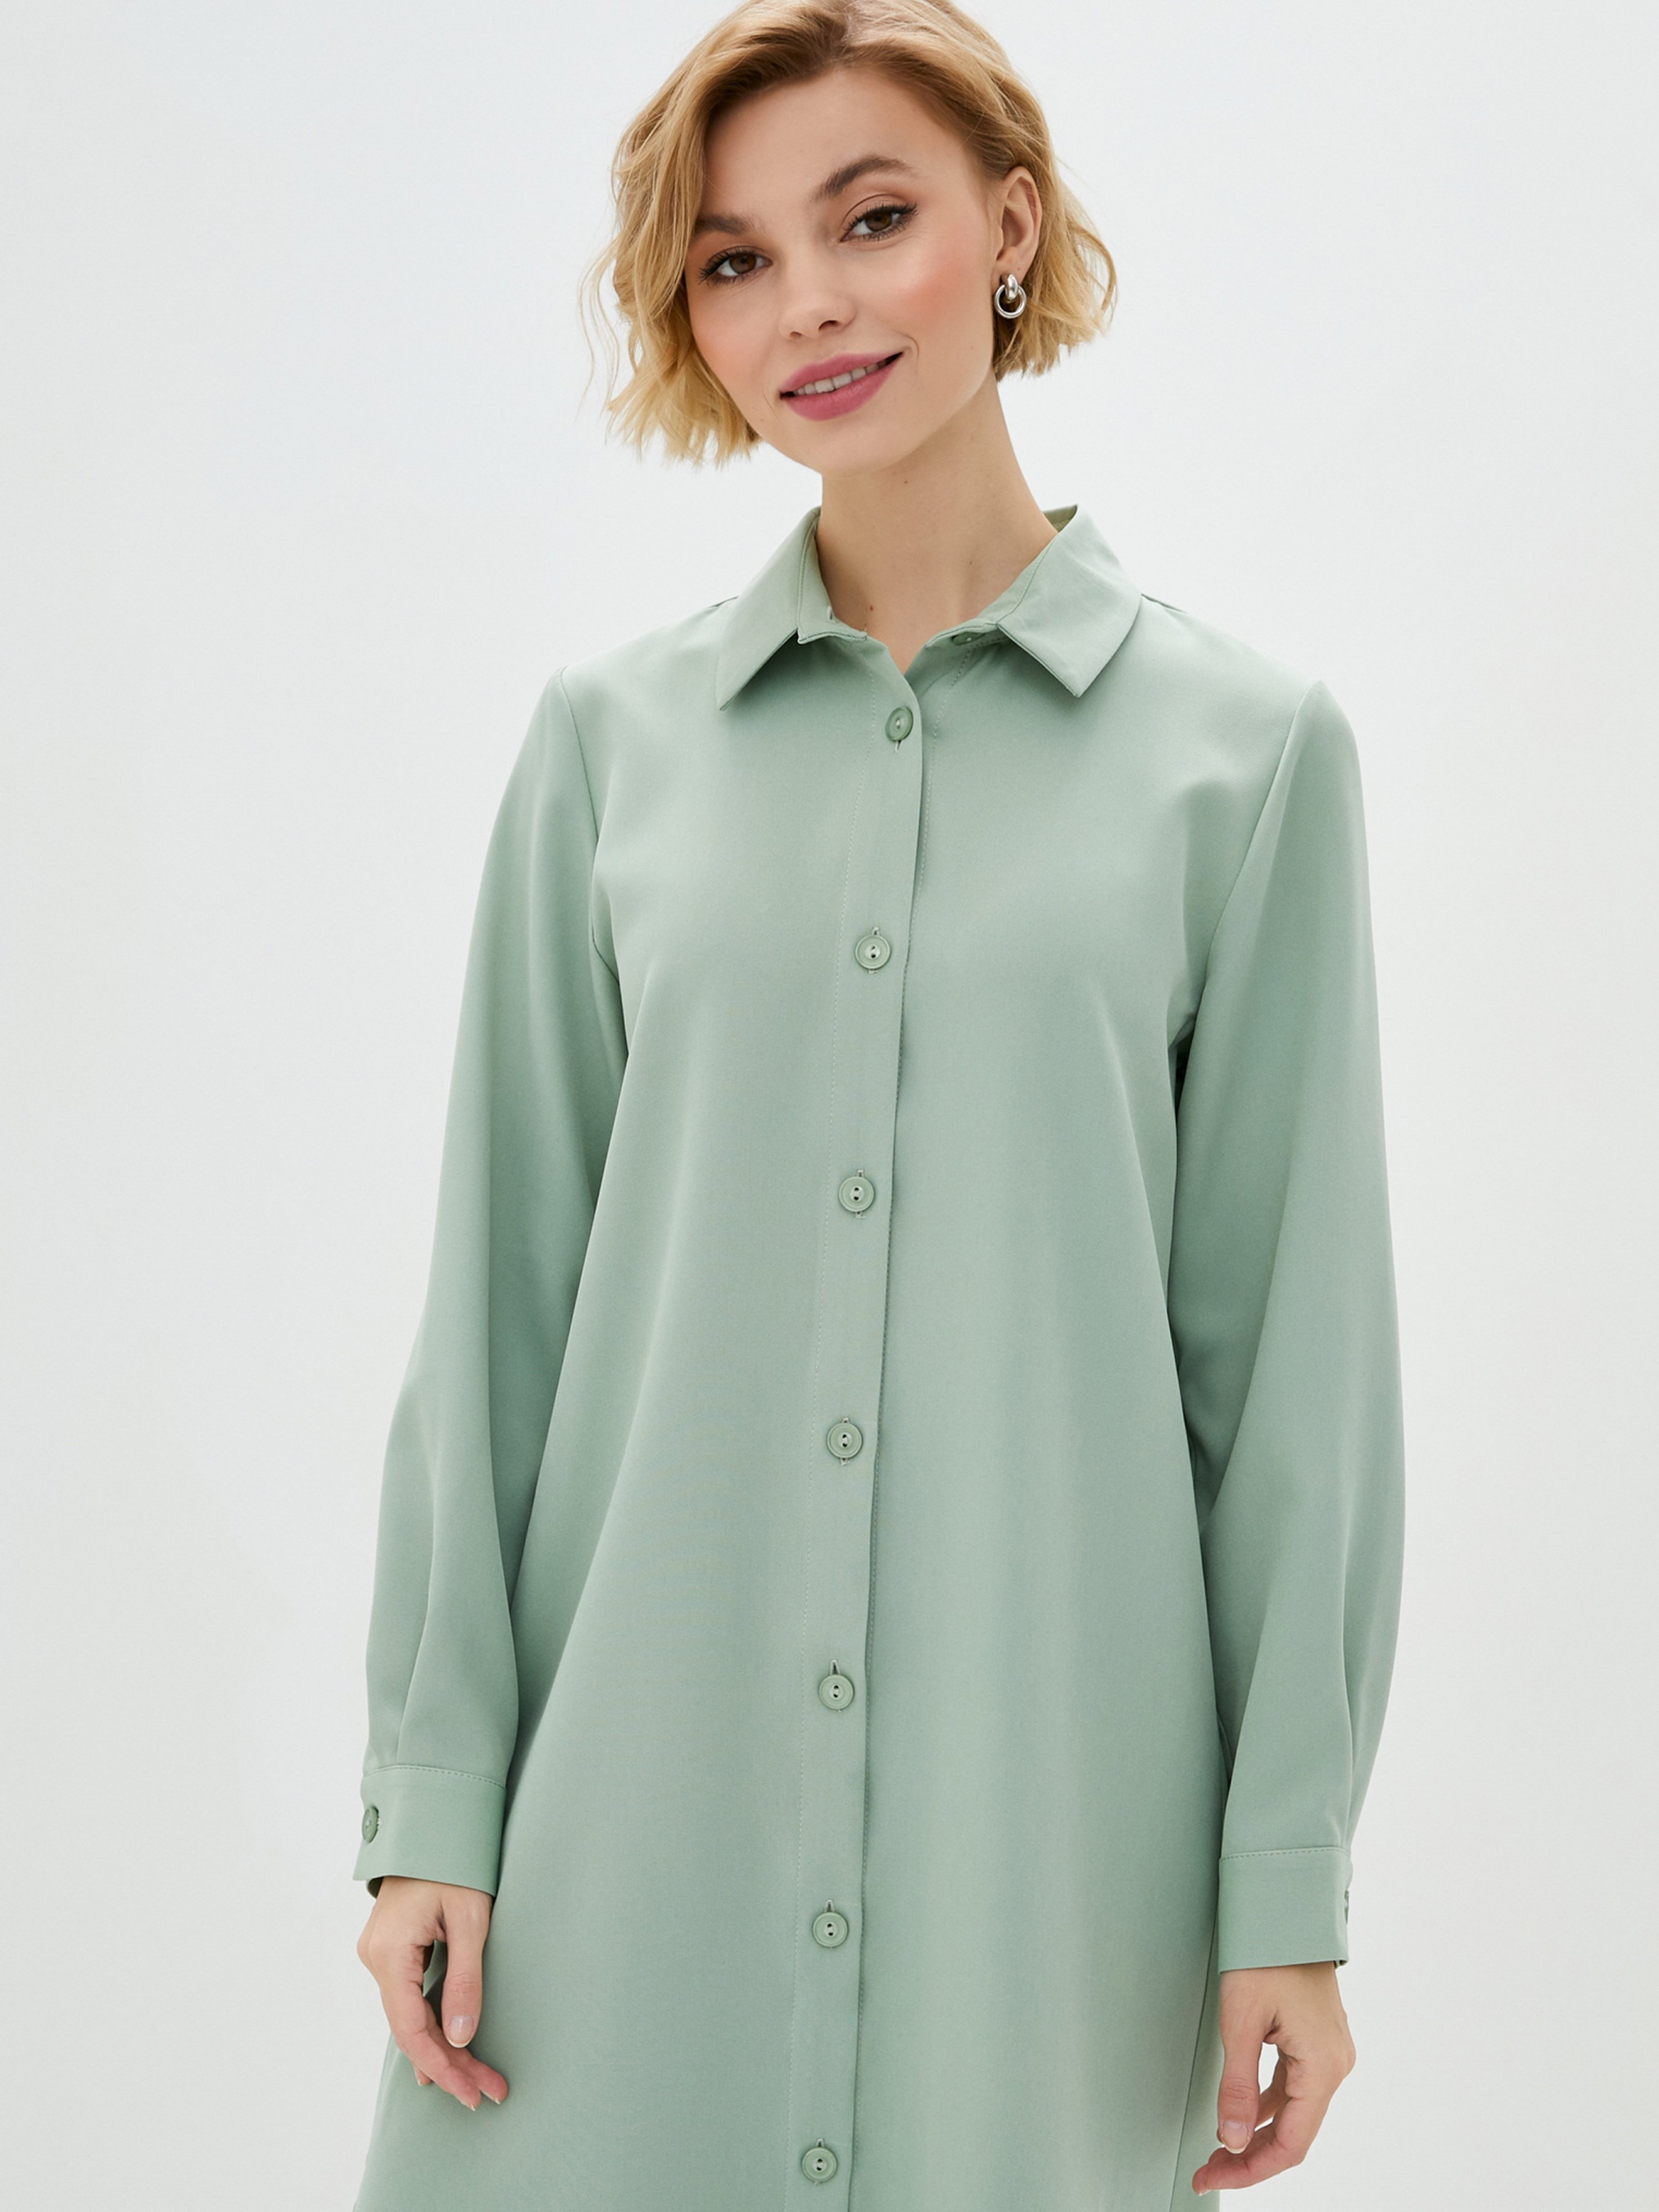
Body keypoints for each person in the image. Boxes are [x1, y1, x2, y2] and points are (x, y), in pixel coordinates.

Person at [349, 3, 1406, 2206]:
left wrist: (1284, 1880)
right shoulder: (610, 748)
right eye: (734, 261)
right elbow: (497, 1315)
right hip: (621, 1820)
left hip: (1051, 1844)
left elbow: (1289, 1375)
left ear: (1008, 228)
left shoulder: (1246, 757)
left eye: (870, 219)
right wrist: (431, 1798)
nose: (806, 306)